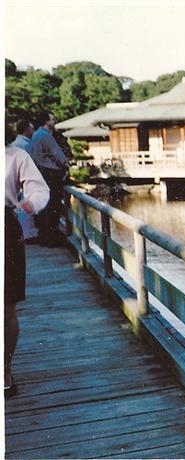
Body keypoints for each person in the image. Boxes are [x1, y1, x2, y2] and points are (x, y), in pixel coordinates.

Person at [4, 124, 50, 398]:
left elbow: (39, 189)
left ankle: (4, 370)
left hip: (5, 229)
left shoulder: (16, 156)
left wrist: (31, 203)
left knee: (6, 307)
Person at [28, 110, 69, 247]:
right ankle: (52, 239)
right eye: (52, 119)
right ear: (46, 121)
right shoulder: (46, 136)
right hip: (51, 174)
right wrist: (65, 165)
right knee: (53, 206)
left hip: (39, 173)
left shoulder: (35, 135)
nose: (54, 120)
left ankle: (44, 237)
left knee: (44, 207)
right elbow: (59, 156)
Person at [10, 120, 41, 243]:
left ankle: (25, 233)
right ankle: (28, 234)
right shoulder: (25, 145)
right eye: (32, 128)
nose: (33, 131)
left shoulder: (14, 144)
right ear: (26, 129)